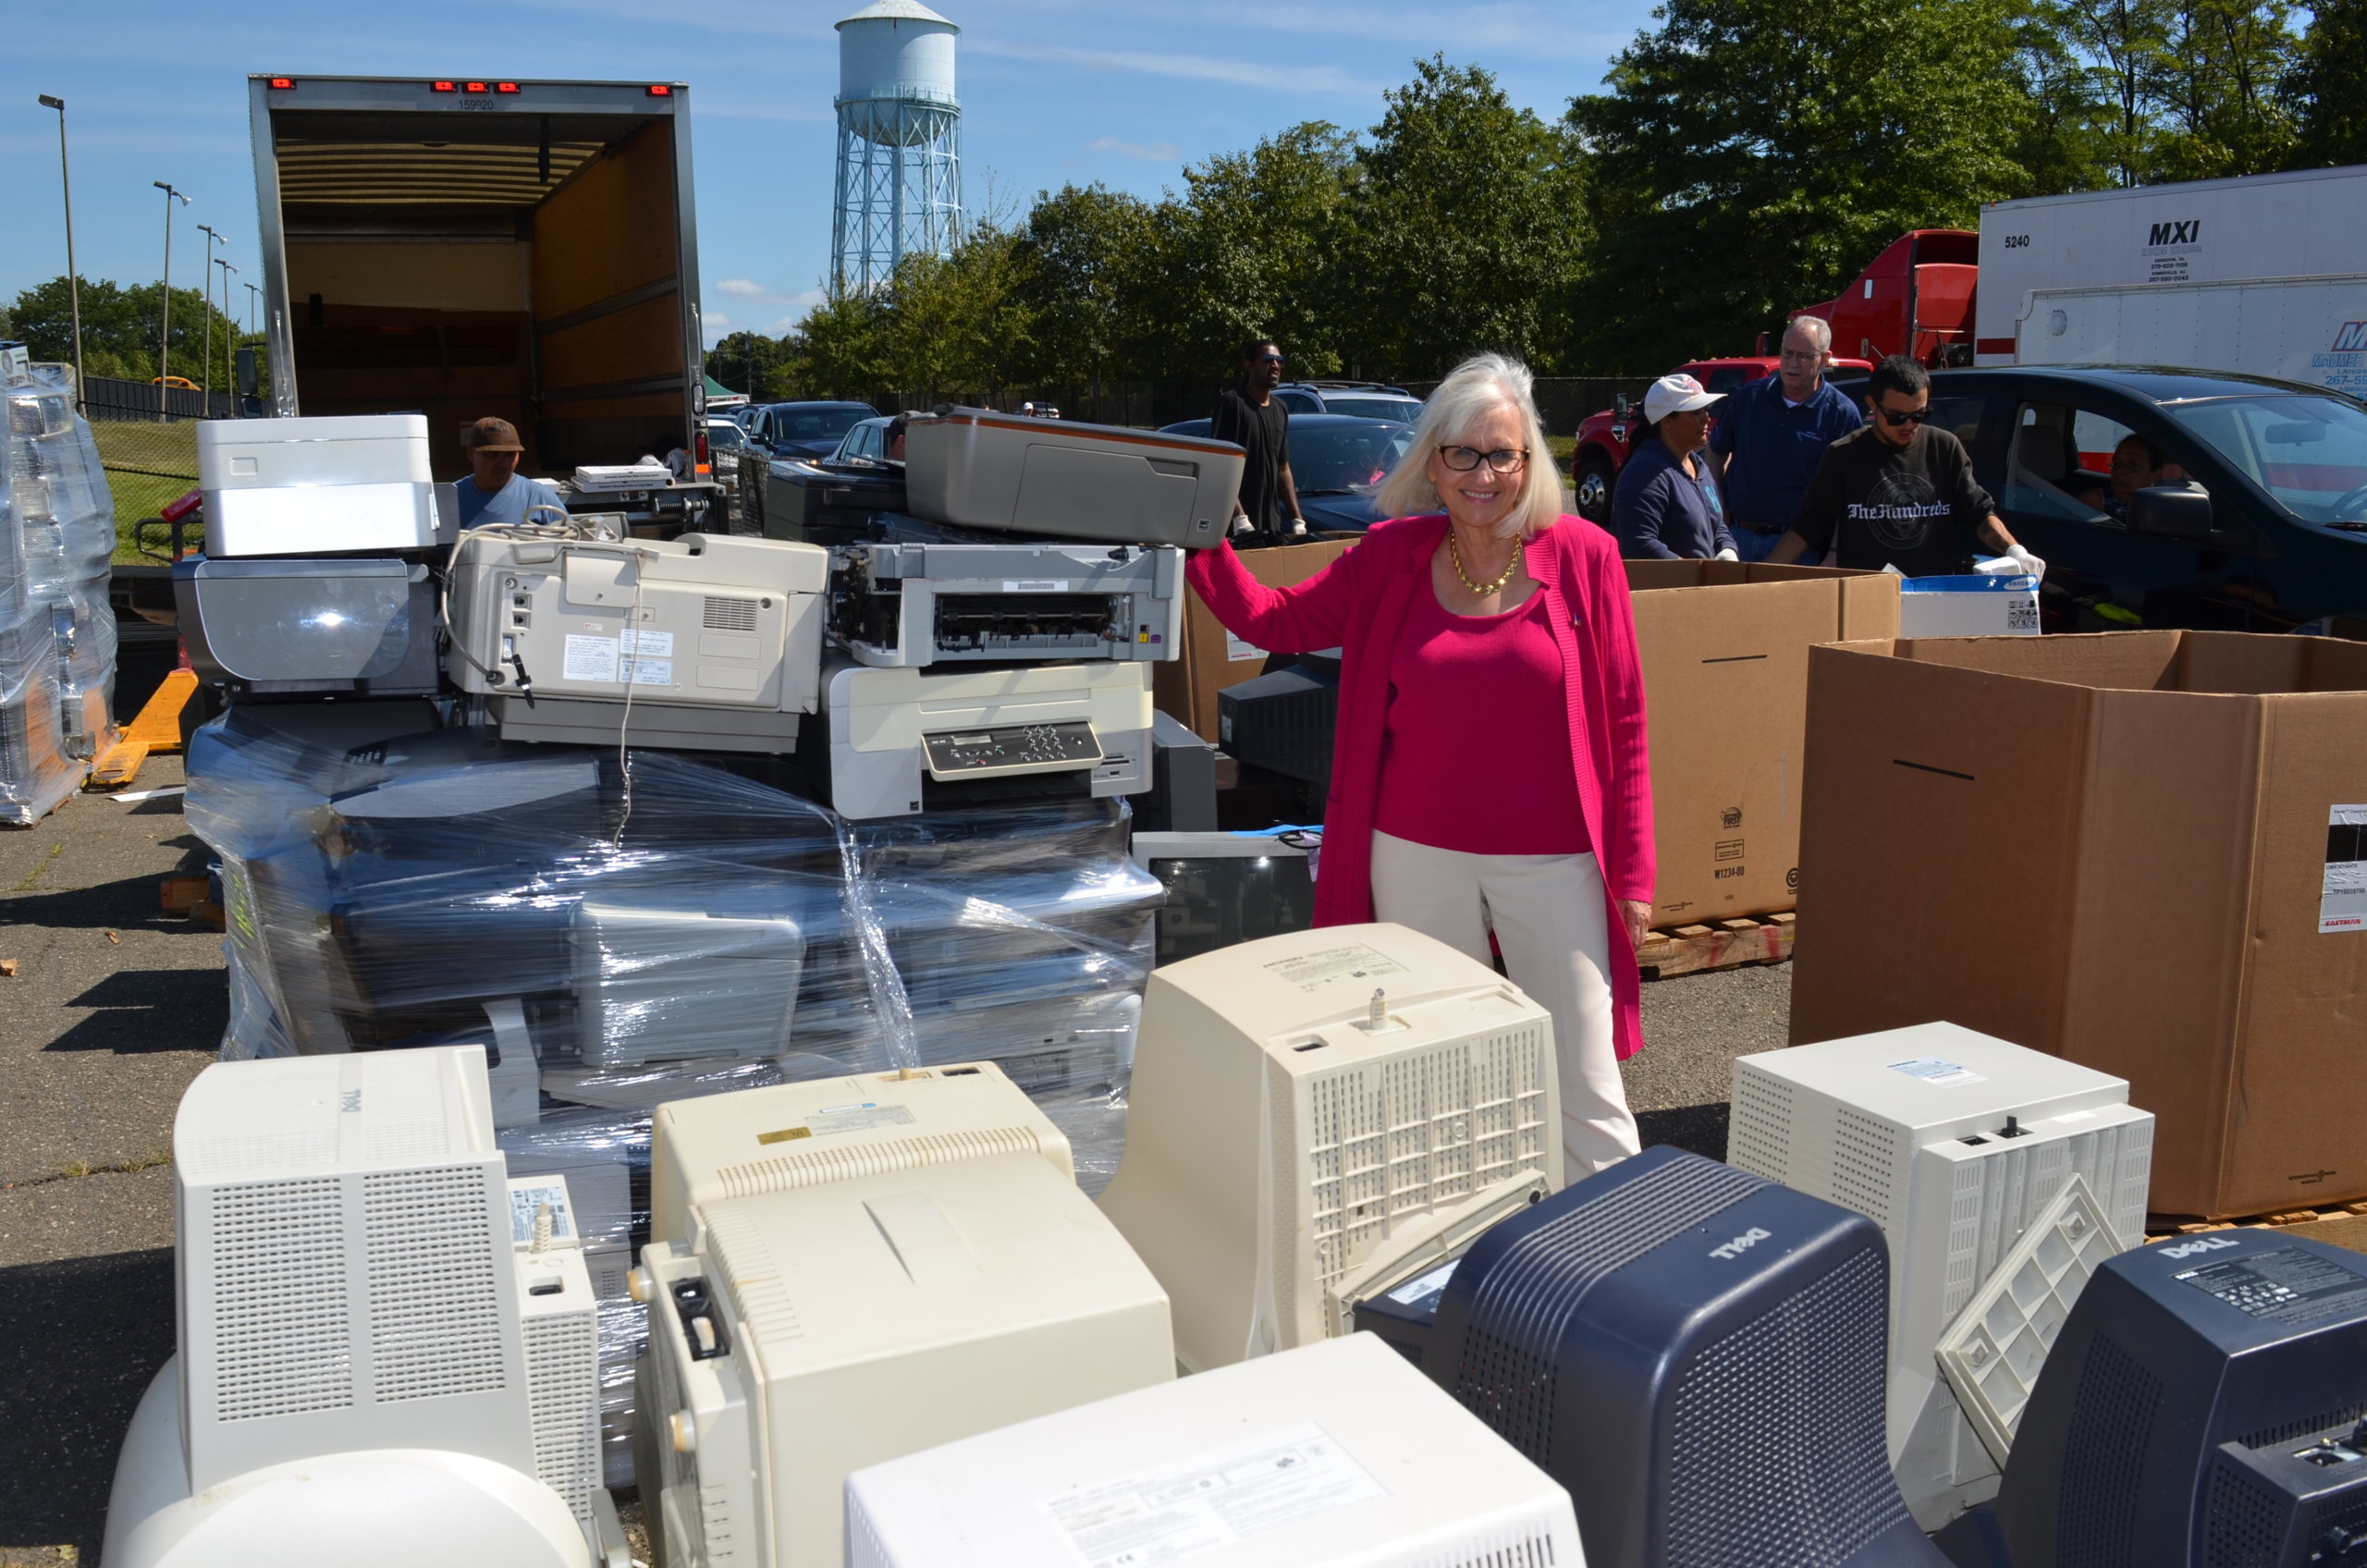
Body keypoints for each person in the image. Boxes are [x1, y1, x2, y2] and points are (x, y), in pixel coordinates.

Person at [1185, 353, 1653, 1177]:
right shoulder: (1390, 555)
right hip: (1413, 855)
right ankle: (1455, 1259)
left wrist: (1636, 874)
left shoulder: (1585, 556)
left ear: (1529, 461)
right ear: (1431, 461)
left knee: (1584, 1081)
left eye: (1502, 453)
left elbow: (1625, 721)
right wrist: (1198, 538)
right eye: (1462, 453)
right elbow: (1273, 621)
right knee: (1434, 1075)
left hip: (1554, 861)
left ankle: (1615, 1265)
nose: (1482, 474)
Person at [1769, 356, 2044, 581]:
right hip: (1867, 597)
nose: (1908, 425)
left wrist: (2014, 549)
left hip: (1931, 596)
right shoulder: (1844, 455)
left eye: (1919, 414)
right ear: (1872, 406)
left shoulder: (1944, 448)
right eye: (1897, 416)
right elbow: (1807, 528)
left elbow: (1979, 511)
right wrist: (1759, 580)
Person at [1704, 317, 1864, 561]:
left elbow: (1849, 492)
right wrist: (1718, 509)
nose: (1792, 363)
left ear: (1824, 358)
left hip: (1802, 547)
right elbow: (1715, 452)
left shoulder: (1841, 413)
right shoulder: (1749, 399)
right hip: (1737, 537)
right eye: (1787, 353)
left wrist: (1833, 552)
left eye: (1804, 356)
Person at [1613, 373, 1738, 561]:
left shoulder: (1698, 465)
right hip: (1668, 589)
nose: (1706, 417)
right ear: (1667, 421)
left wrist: (1727, 551)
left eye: (1705, 409)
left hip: (1702, 588)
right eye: (1695, 412)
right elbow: (1638, 544)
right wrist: (1697, 574)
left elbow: (1717, 525)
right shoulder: (1646, 472)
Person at [1210, 338, 1306, 544]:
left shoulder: (1280, 409)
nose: (1275, 365)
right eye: (1268, 360)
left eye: (1279, 360)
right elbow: (1221, 463)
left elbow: (1283, 469)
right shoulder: (1232, 403)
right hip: (1237, 527)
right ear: (1249, 366)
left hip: (1270, 523)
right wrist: (1239, 517)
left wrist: (1297, 519)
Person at [453, 416, 564, 529]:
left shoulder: (539, 497)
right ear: (470, 453)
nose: (503, 464)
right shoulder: (451, 497)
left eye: (510, 455)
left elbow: (570, 541)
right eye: (493, 454)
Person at [2078, 433, 2186, 521]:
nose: (2121, 471)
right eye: (2117, 464)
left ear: (2155, 475)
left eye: (2133, 465)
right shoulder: (2097, 500)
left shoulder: (2163, 508)